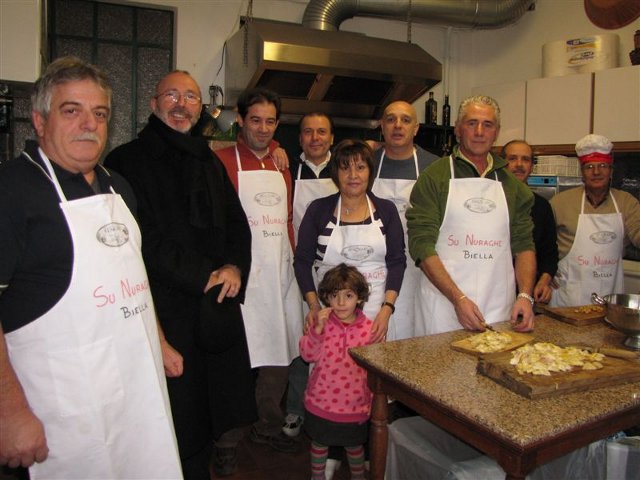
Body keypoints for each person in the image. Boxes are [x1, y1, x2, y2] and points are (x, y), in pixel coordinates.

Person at [0, 57, 181, 479]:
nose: (89, 124)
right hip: (59, 409)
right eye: (71, 111)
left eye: (99, 113)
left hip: (135, 389)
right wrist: (9, 411)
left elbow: (133, 277)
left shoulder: (117, 185)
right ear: (40, 120)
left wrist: (159, 339)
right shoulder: (12, 190)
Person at [105, 70, 256, 479]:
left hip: (213, 306)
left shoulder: (207, 158)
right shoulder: (125, 161)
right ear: (154, 104)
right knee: (174, 417)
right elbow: (138, 239)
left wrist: (234, 267)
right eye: (171, 95)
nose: (181, 104)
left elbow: (236, 222)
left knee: (210, 414)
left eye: (190, 97)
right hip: (162, 310)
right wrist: (202, 273)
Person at [215, 87, 303, 454]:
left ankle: (268, 425)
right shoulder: (220, 160)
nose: (263, 129)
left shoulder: (282, 165)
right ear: (240, 119)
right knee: (236, 358)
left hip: (278, 270)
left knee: (278, 354)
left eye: (270, 122)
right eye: (255, 120)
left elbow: (286, 222)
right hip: (240, 273)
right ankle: (226, 439)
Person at [407, 95, 536, 335]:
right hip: (444, 306)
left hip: (498, 307)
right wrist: (458, 298)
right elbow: (421, 245)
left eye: (487, 125)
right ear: (458, 129)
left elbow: (524, 245)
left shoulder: (513, 186)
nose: (479, 131)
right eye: (471, 123)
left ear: (496, 132)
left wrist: (525, 295)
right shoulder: (435, 177)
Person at [294, 139, 406, 343]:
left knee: (373, 373)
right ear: (336, 173)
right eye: (345, 168)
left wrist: (386, 310)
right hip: (331, 315)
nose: (353, 176)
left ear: (370, 172)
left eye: (360, 168)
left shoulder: (386, 211)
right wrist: (314, 306)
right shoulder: (318, 210)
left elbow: (397, 261)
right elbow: (302, 262)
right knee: (331, 373)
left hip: (376, 316)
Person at [283, 112, 338, 441]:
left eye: (322, 131)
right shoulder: (287, 170)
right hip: (301, 268)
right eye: (308, 132)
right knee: (303, 340)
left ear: (332, 138)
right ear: (300, 138)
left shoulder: (344, 167)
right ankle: (296, 408)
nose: (315, 138)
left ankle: (335, 407)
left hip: (340, 271)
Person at [300, 263, 374, 480]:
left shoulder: (369, 329)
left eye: (348, 295)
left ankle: (358, 476)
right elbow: (307, 355)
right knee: (319, 443)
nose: (341, 303)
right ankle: (317, 476)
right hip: (321, 401)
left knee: (355, 446)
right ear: (326, 297)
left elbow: (375, 368)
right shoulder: (320, 323)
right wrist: (317, 331)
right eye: (335, 295)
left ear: (359, 297)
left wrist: (371, 400)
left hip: (355, 404)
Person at [371, 100, 438, 340]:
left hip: (420, 267)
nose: (397, 126)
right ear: (382, 126)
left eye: (405, 120)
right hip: (375, 269)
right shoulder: (366, 162)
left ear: (416, 128)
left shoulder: (434, 167)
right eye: (390, 119)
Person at [549, 134, 640, 307]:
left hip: (609, 297)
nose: (596, 172)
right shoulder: (560, 203)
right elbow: (541, 242)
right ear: (582, 172)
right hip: (568, 296)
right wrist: (544, 273)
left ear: (611, 170)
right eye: (589, 166)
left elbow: (637, 231)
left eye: (603, 166)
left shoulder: (626, 202)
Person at [503, 139, 559, 304]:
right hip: (491, 292)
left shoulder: (542, 206)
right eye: (512, 158)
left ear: (532, 166)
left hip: (526, 295)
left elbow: (549, 252)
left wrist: (544, 281)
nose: (519, 164)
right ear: (501, 163)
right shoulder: (489, 201)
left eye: (525, 159)